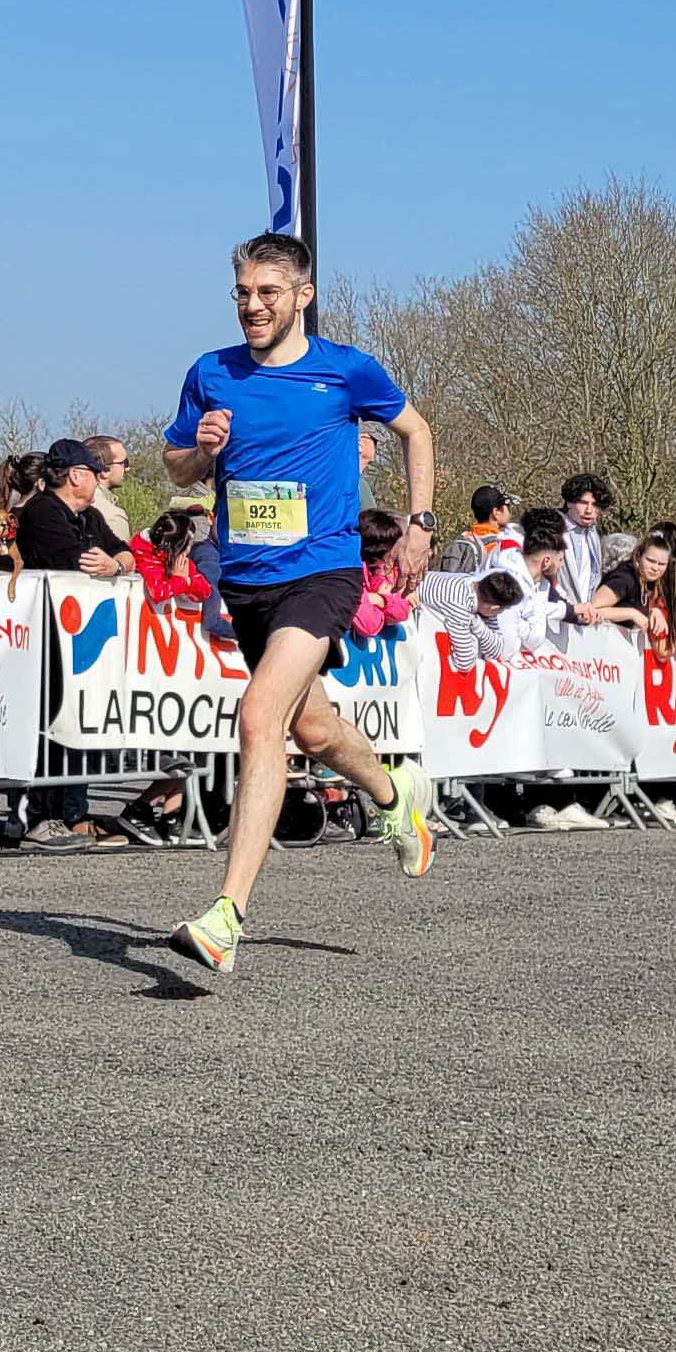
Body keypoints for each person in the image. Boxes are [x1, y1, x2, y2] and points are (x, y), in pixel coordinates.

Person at [160, 232, 442, 975]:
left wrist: (420, 524)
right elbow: (178, 462)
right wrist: (203, 450)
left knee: (260, 716)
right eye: (244, 295)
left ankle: (226, 915)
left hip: (323, 572)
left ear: (302, 297)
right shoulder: (211, 372)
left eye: (268, 294)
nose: (253, 307)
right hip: (247, 580)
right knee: (311, 727)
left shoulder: (344, 371)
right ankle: (394, 793)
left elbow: (415, 430)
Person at [16, 442, 130, 577]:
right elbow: (76, 563)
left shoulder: (91, 515)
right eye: (95, 473)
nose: (97, 481)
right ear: (75, 475)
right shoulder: (41, 511)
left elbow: (125, 552)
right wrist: (107, 564)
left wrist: (117, 566)